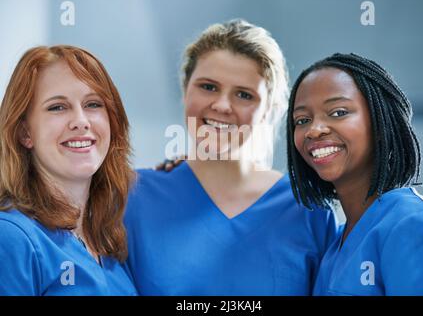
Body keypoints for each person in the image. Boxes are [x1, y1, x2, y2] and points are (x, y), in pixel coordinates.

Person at [124, 19, 339, 295]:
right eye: (208, 87)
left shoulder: (309, 211)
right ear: (185, 88)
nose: (222, 105)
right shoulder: (131, 197)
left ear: (269, 110)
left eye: (244, 95)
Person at [287, 53, 423, 295]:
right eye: (302, 120)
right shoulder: (336, 245)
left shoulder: (409, 223)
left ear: (380, 122)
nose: (314, 130)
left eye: (338, 112)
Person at [0, 45, 137, 295]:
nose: (81, 122)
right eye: (57, 107)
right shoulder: (11, 237)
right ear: (24, 132)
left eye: (93, 104)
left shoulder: (106, 241)